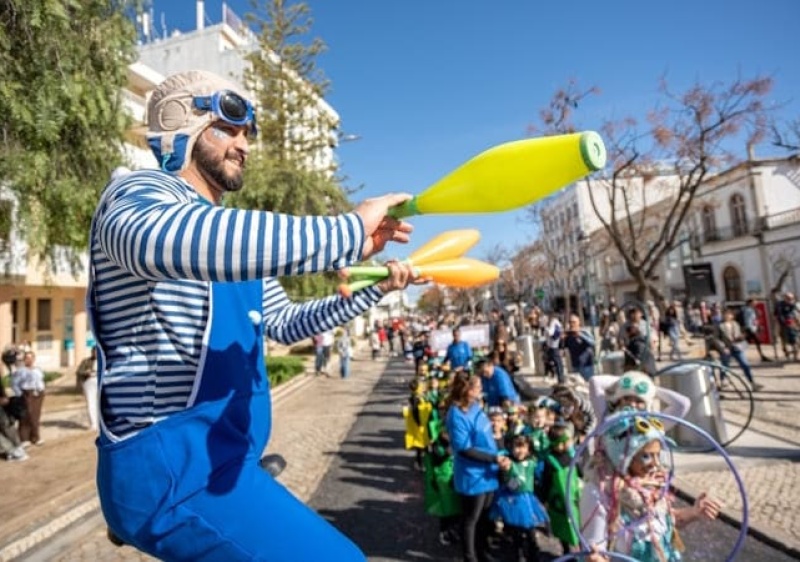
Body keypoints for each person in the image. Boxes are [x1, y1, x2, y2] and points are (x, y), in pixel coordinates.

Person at [88, 70, 418, 561]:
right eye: (229, 128)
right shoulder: (136, 197)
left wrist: (376, 292)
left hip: (227, 462)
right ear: (182, 126)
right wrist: (346, 231)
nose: (244, 145)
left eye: (248, 134)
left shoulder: (231, 243)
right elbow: (173, 237)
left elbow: (285, 324)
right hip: (172, 477)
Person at [581, 410, 721, 562]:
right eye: (646, 456)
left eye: (657, 455)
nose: (655, 464)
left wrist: (695, 512)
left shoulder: (652, 487)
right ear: (622, 456)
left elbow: (664, 523)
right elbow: (596, 552)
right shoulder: (600, 491)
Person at [445, 372, 502, 562]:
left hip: (487, 471)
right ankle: (470, 557)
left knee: (485, 516)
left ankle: (482, 549)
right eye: (478, 388)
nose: (481, 390)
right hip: (473, 473)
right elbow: (464, 449)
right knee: (471, 519)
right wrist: (493, 459)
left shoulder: (475, 406)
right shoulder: (456, 415)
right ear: (467, 390)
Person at [493, 434, 548, 562]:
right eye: (516, 447)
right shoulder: (509, 463)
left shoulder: (532, 462)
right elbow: (511, 483)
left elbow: (542, 460)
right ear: (511, 448)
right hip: (513, 500)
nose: (519, 451)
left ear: (528, 449)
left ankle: (533, 555)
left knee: (530, 530)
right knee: (515, 531)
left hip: (527, 500)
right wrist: (508, 471)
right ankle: (516, 554)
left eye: (523, 447)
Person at [589, 370, 690, 430]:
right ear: (618, 400)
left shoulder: (653, 425)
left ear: (647, 405)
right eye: (627, 398)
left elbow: (683, 404)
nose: (632, 404)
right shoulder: (606, 418)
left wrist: (650, 388)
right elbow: (595, 381)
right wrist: (626, 381)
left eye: (639, 401)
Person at [718, 308, 762, 390]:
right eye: (725, 314)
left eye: (728, 314)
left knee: (745, 365)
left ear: (732, 316)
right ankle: (721, 382)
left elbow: (739, 335)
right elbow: (717, 338)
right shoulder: (720, 326)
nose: (726, 316)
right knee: (725, 367)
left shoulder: (736, 324)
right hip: (727, 349)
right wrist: (723, 347)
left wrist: (742, 337)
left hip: (737, 348)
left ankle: (752, 383)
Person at [12, 351, 45, 447]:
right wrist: (20, 394)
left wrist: (42, 390)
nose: (29, 360)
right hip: (27, 393)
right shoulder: (20, 371)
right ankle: (24, 438)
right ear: (24, 360)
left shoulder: (38, 369)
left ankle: (35, 437)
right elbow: (14, 384)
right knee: (26, 415)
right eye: (27, 358)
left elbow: (41, 380)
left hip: (38, 394)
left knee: (35, 415)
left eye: (31, 358)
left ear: (34, 359)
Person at [563, 314, 596, 381]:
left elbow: (592, 342)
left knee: (588, 386)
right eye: (570, 322)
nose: (572, 324)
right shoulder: (569, 335)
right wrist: (562, 338)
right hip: (575, 366)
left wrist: (579, 335)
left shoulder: (584, 332)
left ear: (579, 322)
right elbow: (563, 347)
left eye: (574, 322)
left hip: (587, 366)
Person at [76, 347, 100, 431]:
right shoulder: (86, 361)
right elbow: (79, 371)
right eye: (94, 352)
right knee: (91, 403)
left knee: (101, 404)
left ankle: (100, 423)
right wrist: (86, 372)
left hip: (100, 383)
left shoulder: (104, 361)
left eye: (97, 352)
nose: (96, 354)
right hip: (89, 382)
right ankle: (93, 424)